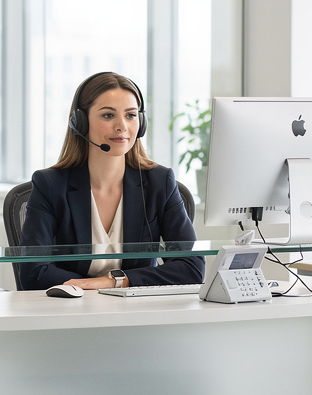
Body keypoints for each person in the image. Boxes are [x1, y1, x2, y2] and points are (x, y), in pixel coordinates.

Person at [17, 72, 203, 291]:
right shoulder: (50, 185)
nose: (122, 126)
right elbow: (33, 272)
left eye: (131, 115)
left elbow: (192, 267)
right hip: (70, 308)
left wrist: (113, 281)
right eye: (108, 116)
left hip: (135, 311)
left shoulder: (159, 183)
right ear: (80, 122)